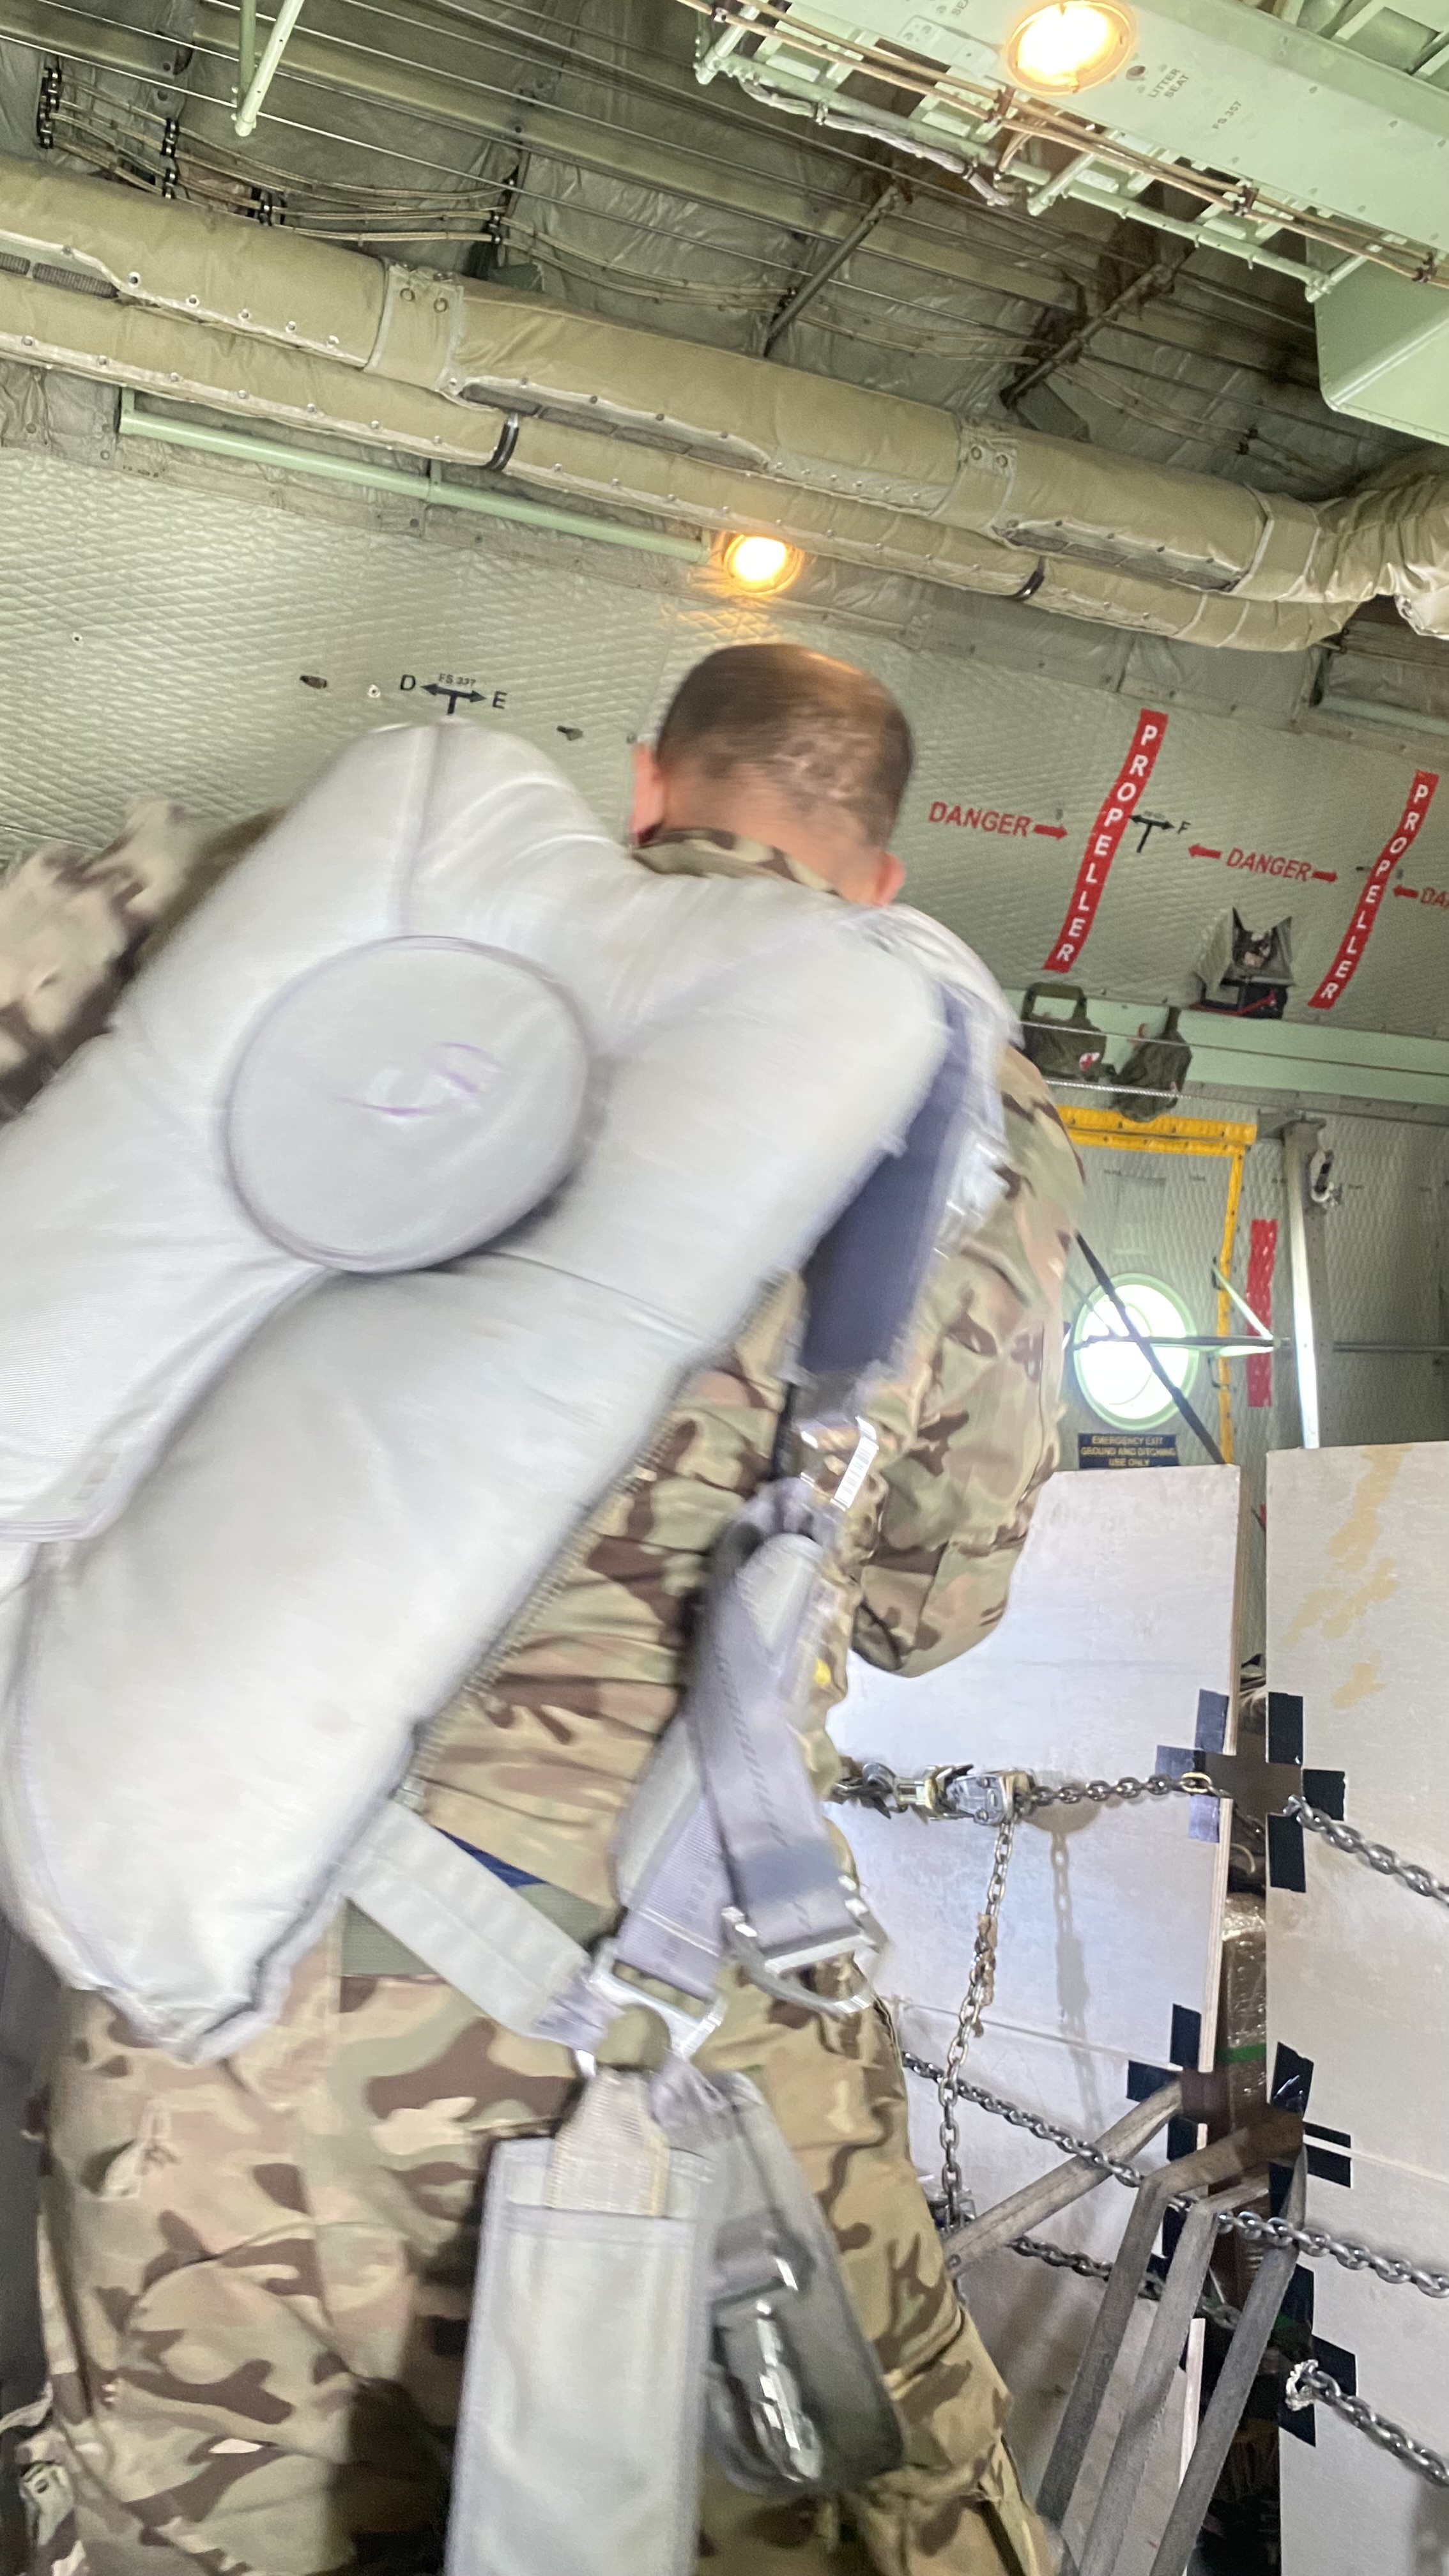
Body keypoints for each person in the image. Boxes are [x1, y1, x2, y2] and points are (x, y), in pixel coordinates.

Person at [21, 644, 1082, 2576]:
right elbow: (936, 1606)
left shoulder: (323, 900)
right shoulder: (961, 1102)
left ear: (648, 788)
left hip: (204, 1985)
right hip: (678, 2028)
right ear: (876, 872)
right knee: (868, 2522)